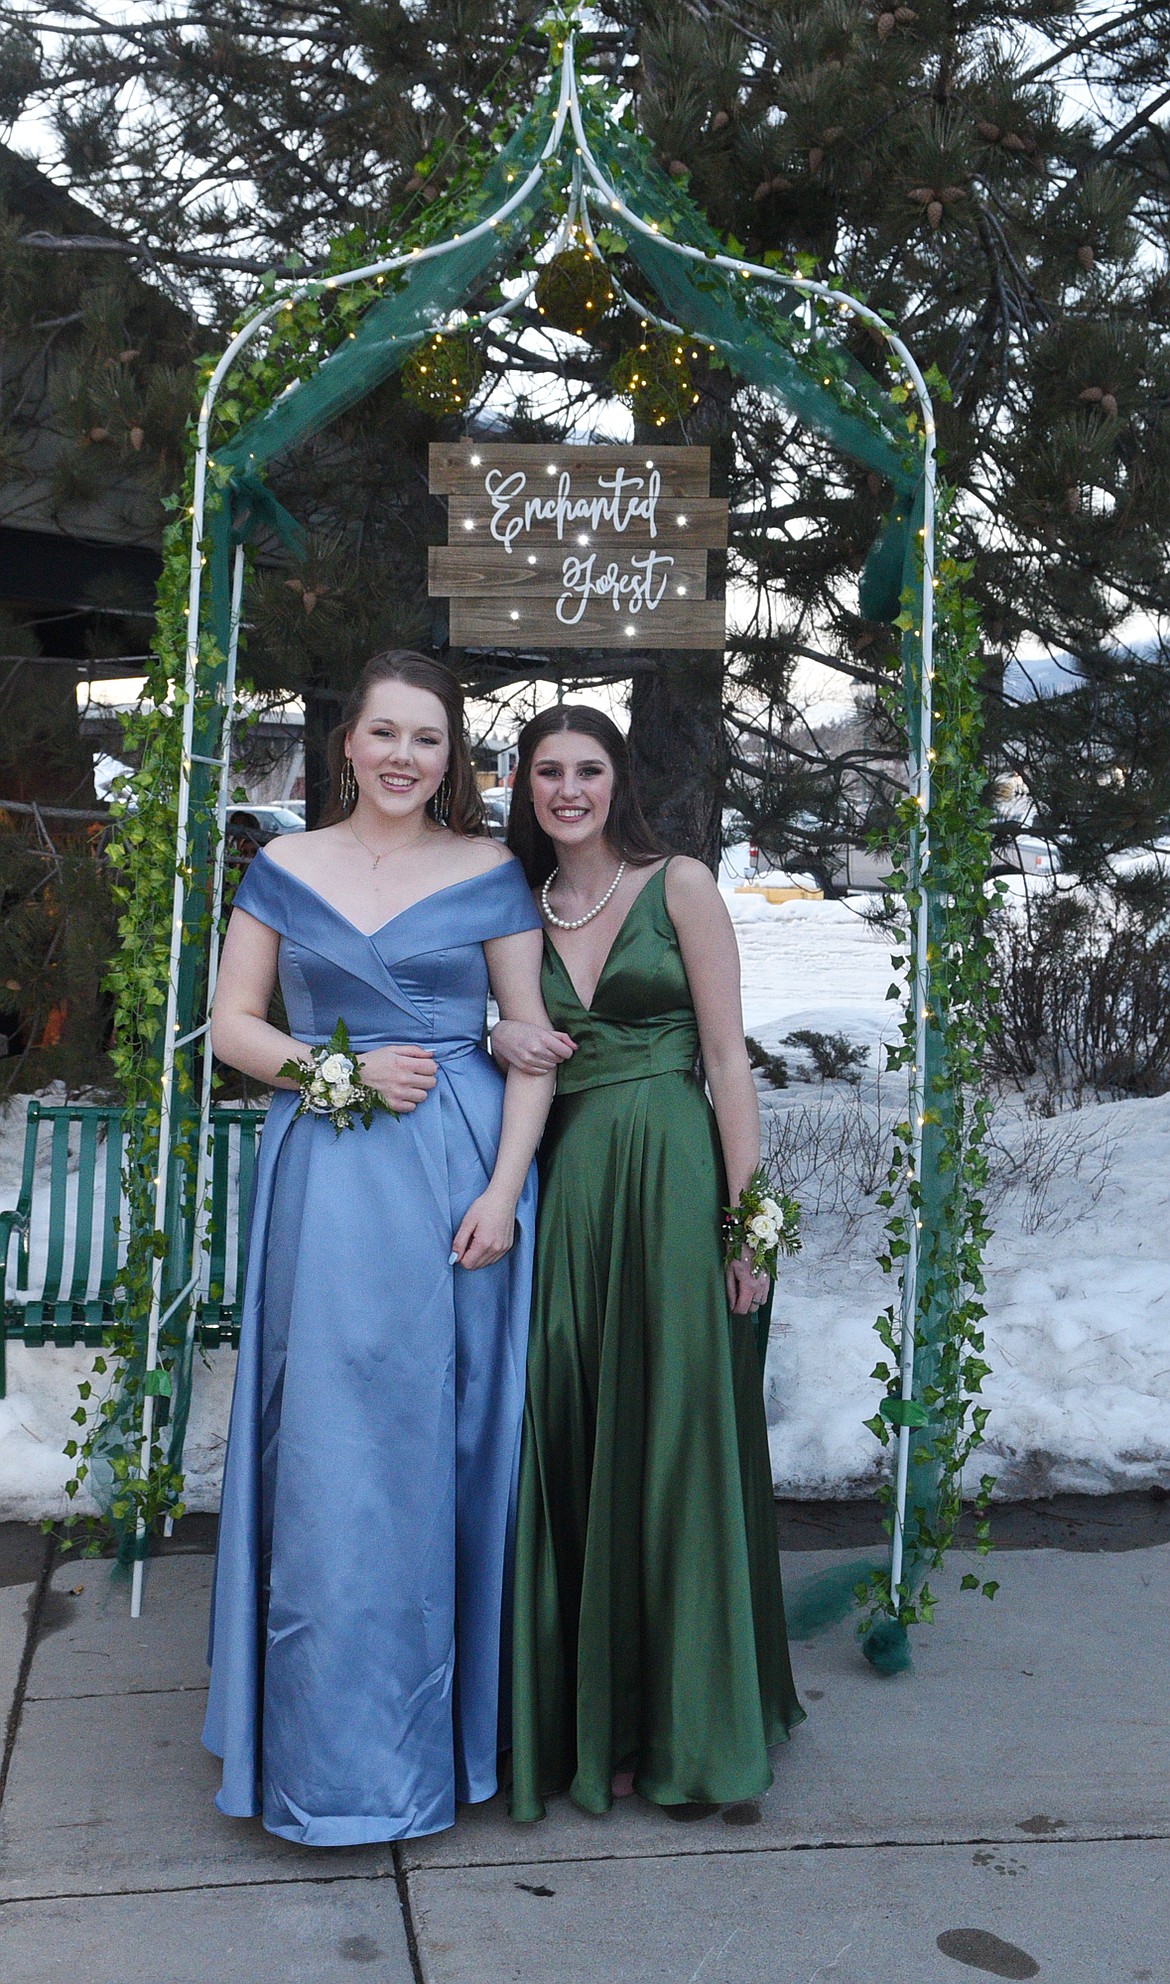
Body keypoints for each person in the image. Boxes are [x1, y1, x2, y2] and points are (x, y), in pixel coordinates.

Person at [202, 650, 555, 1846]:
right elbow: (235, 1028)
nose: (406, 756)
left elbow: (527, 1038)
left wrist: (507, 1190)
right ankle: (318, 1753)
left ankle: (433, 1746)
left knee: (439, 1446)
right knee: (327, 1453)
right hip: (329, 1175)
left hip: (457, 1177)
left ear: (451, 760)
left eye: (429, 739)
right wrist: (332, 1068)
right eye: (386, 733)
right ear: (346, 743)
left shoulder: (490, 870)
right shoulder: (283, 868)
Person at [492, 706, 803, 1822]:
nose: (566, 789)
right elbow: (500, 1036)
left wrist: (747, 1221)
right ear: (523, 786)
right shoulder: (513, 907)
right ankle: (601, 1719)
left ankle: (692, 1723)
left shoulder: (680, 884)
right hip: (571, 1193)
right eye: (546, 772)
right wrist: (495, 1036)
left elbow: (728, 1058)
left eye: (586, 769)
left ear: (615, 779)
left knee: (674, 1438)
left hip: (672, 1182)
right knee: (577, 1439)